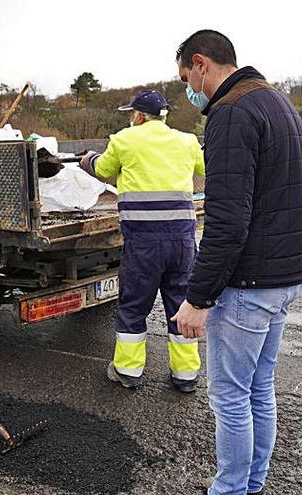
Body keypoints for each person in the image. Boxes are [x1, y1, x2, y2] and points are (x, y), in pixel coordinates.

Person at [171, 30, 302, 494]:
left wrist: (198, 297)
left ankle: (230, 490)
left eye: (186, 77)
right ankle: (251, 485)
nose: (189, 89)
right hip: (283, 276)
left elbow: (228, 221)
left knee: (231, 398)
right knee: (258, 391)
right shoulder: (279, 103)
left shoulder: (230, 113)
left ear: (201, 64)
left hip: (249, 284)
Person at [80, 90, 205, 393]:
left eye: (130, 114)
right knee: (181, 305)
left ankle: (127, 372)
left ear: (138, 115)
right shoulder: (188, 141)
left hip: (144, 243)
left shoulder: (125, 139)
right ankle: (186, 375)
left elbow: (105, 169)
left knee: (134, 307)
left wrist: (89, 159)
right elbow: (204, 169)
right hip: (183, 242)